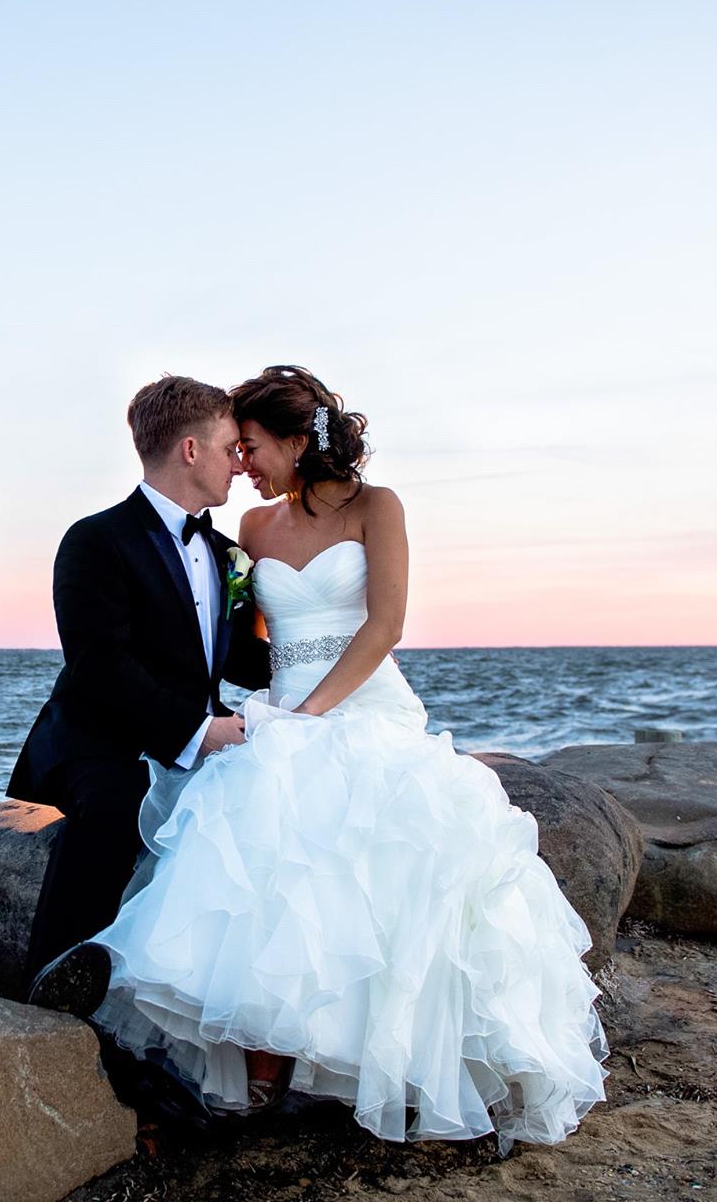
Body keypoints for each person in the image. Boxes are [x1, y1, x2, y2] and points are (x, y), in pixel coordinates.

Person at [83, 366, 611, 1151]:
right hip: (285, 711)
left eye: (253, 446)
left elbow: (386, 625)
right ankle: (265, 1064)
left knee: (390, 876)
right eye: (234, 448)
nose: (243, 463)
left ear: (298, 442)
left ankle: (397, 1065)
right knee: (267, 875)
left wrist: (311, 716)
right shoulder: (254, 531)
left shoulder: (379, 508)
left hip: (361, 705)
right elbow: (245, 644)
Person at [8, 374, 271, 1017]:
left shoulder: (229, 553)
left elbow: (245, 663)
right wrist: (197, 729)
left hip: (189, 730)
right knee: (116, 801)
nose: (240, 463)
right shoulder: (95, 540)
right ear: (190, 449)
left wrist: (337, 655)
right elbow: (100, 667)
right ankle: (49, 990)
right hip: (97, 734)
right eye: (231, 447)